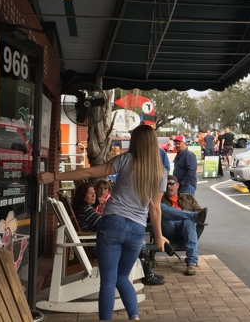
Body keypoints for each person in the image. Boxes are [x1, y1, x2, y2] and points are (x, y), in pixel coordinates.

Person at [38, 125, 167, 321]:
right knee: (123, 277)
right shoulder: (161, 172)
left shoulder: (125, 160)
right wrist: (158, 236)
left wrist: (54, 177)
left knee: (108, 281)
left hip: (112, 224)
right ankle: (134, 317)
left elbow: (89, 173)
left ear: (135, 141)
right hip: (136, 230)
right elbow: (155, 208)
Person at [161, 175, 208, 275]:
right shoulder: (160, 198)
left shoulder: (188, 197)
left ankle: (191, 263)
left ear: (177, 185)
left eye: (171, 183)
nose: (169, 186)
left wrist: (194, 220)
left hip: (184, 227)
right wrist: (193, 217)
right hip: (169, 228)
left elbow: (200, 212)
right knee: (160, 207)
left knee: (188, 222)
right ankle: (191, 216)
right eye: (166, 184)